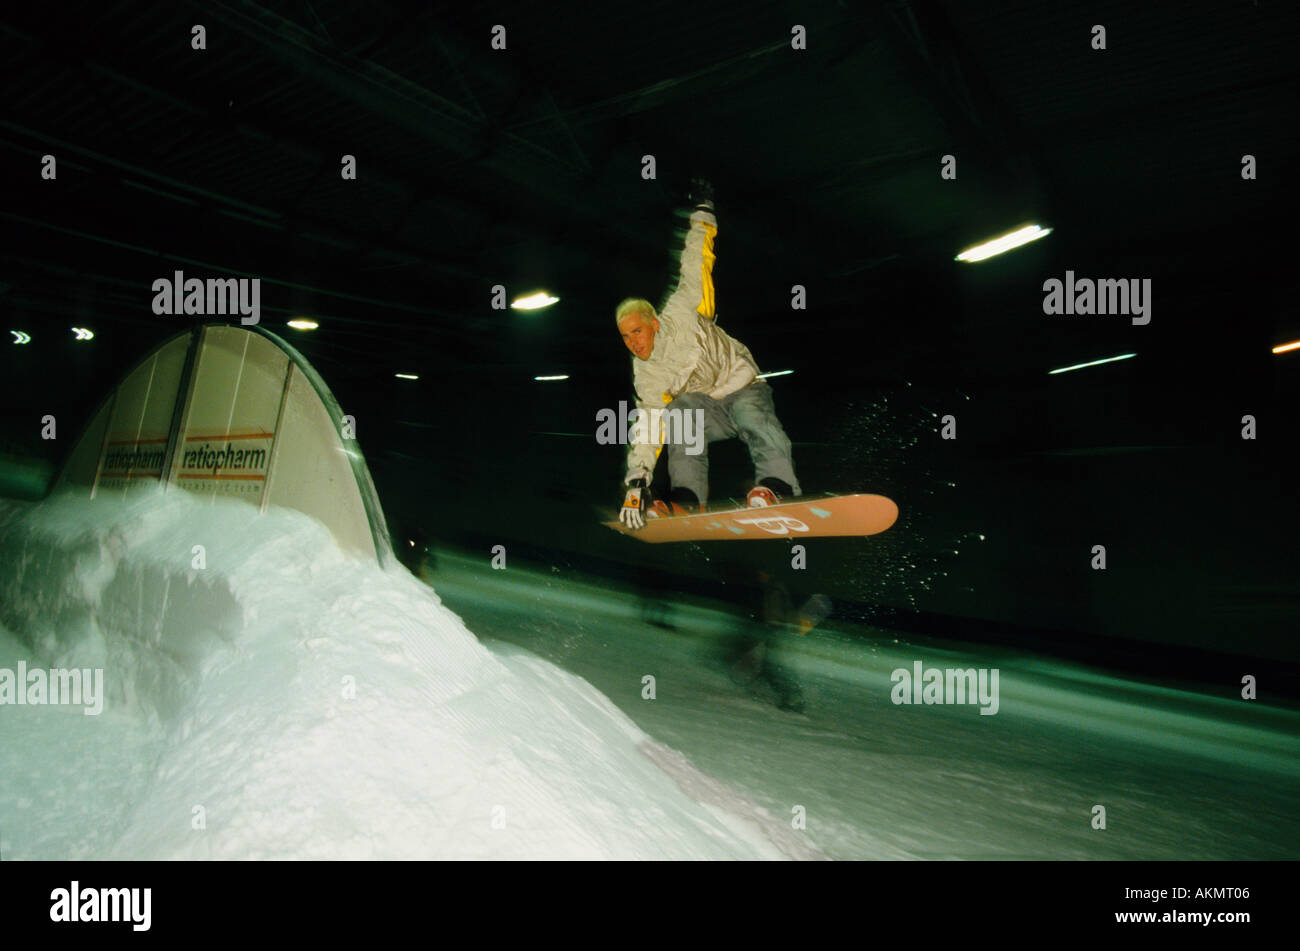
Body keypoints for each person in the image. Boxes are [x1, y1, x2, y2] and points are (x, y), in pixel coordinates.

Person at [616, 180, 801, 530]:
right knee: (678, 413)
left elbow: (694, 259)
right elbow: (648, 423)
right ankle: (687, 497)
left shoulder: (683, 308)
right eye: (625, 338)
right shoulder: (646, 372)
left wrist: (703, 210)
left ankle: (778, 485)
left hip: (742, 385)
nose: (633, 343)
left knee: (752, 416)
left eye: (636, 332)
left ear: (654, 323)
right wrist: (637, 480)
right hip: (709, 411)